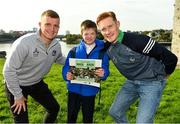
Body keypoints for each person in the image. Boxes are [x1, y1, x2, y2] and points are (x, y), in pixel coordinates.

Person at [96, 11, 178, 123]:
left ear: (118, 24)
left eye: (110, 26)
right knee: (115, 112)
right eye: (103, 29)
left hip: (152, 83)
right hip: (131, 82)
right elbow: (90, 50)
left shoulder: (139, 41)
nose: (107, 32)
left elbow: (171, 58)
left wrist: (164, 76)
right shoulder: (106, 46)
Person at [3, 9, 66, 123]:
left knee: (54, 108)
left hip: (36, 83)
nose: (52, 29)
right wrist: (18, 95)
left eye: (56, 26)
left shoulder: (56, 44)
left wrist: (75, 62)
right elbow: (8, 70)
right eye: (48, 24)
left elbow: (59, 58)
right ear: (39, 25)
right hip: (17, 84)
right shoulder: (24, 43)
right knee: (22, 121)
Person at [62, 20, 109, 123]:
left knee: (88, 119)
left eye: (92, 33)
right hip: (73, 90)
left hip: (90, 91)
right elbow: (66, 66)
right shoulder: (74, 51)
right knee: (71, 118)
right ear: (82, 34)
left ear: (96, 34)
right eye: (86, 34)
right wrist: (67, 75)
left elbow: (105, 68)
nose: (89, 36)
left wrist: (103, 73)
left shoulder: (102, 52)